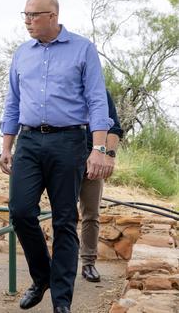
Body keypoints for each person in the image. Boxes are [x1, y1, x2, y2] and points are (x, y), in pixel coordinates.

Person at [0, 0, 113, 313]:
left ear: (53, 16)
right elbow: (13, 102)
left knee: (65, 220)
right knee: (20, 212)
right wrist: (6, 145)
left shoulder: (82, 49)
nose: (27, 21)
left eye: (33, 15)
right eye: (24, 15)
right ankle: (43, 276)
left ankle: (61, 301)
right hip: (30, 142)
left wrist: (99, 148)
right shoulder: (22, 54)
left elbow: (96, 101)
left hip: (69, 142)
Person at [79, 90, 123, 283]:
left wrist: (110, 155)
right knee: (63, 213)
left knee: (91, 214)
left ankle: (88, 263)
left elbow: (114, 127)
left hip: (93, 159)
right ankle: (62, 263)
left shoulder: (101, 92)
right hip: (64, 158)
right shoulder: (63, 85)